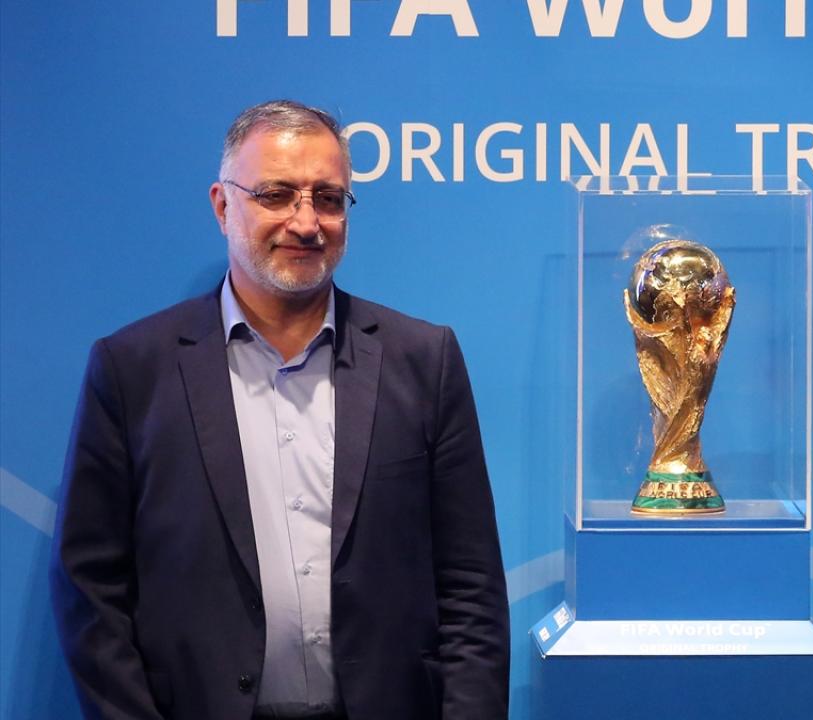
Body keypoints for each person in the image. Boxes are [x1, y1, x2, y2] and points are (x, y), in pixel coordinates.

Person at [50, 100, 509, 720]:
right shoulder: (132, 370)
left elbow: (471, 587)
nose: (306, 221)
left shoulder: (424, 361)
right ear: (222, 206)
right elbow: (90, 588)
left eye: (328, 198)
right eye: (276, 195)